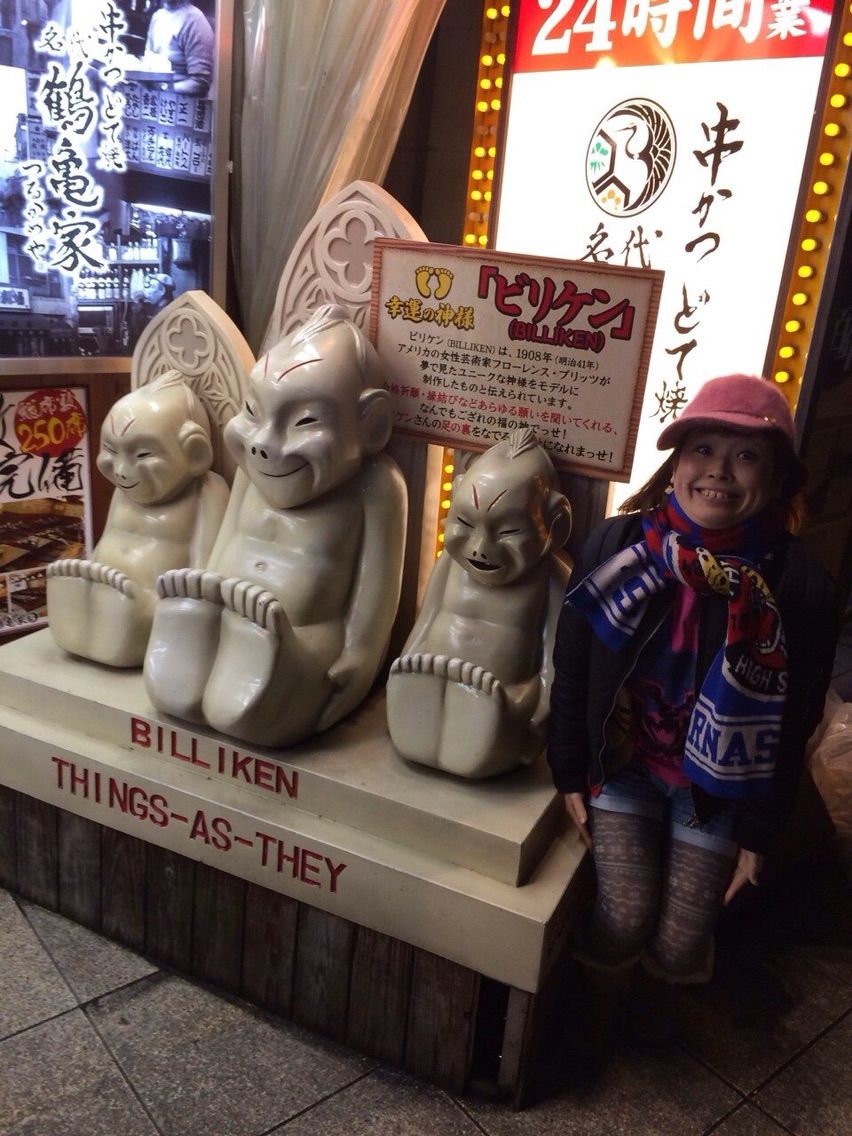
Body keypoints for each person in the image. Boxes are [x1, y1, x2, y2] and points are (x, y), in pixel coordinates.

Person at [547, 373, 838, 1060]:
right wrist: (568, 770)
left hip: (718, 788)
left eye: (746, 456)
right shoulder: (618, 549)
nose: (718, 471)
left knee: (683, 938)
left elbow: (794, 719)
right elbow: (575, 667)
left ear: (777, 478)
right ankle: (594, 1008)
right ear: (676, 464)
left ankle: (651, 1009)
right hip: (625, 766)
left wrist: (759, 831)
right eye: (703, 449)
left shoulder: (797, 585)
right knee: (624, 913)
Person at [143, 304, 407, 749]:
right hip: (226, 611)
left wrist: (359, 660)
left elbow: (375, 592)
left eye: (305, 421)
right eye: (253, 411)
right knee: (187, 648)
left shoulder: (378, 486)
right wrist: (204, 588)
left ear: (372, 424)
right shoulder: (252, 469)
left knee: (251, 701)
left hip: (305, 639)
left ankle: (258, 661)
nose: (263, 442)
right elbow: (227, 538)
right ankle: (194, 653)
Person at [386, 426, 572, 778]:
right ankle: (423, 713)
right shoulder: (449, 564)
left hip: (506, 694)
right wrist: (407, 661)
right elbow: (427, 619)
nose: (479, 548)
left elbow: (555, 657)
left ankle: (488, 725)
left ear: (555, 522)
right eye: (464, 523)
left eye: (508, 531)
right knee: (422, 715)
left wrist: (540, 713)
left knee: (489, 726)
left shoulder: (551, 579)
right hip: (434, 677)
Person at [47, 371, 229, 667]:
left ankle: (111, 628)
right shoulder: (124, 492)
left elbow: (207, 563)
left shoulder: (209, 491)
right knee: (81, 595)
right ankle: (84, 617)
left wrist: (190, 600)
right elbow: (109, 536)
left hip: (156, 600)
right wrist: (92, 569)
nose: (120, 470)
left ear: (195, 453)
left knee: (126, 615)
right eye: (110, 450)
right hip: (111, 586)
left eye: (143, 454)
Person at [145, 0, 214, 97]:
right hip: (154, 98)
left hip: (182, 102)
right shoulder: (157, 16)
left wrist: (163, 88)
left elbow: (200, 83)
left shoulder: (194, 19)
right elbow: (148, 63)